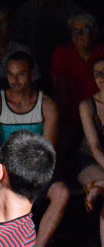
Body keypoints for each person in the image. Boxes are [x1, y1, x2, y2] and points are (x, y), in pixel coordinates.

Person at [0, 52, 68, 247]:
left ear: (32, 75)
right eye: (10, 74)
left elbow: (48, 149)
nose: (15, 80)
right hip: (3, 166)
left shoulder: (46, 104)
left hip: (36, 167)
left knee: (62, 192)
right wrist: (2, 172)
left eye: (21, 74)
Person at [50, 12, 104, 154]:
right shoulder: (62, 53)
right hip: (71, 117)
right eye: (75, 31)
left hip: (99, 117)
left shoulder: (102, 53)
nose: (79, 35)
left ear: (95, 32)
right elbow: (59, 91)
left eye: (84, 30)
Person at [78, 56, 104, 247]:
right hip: (89, 160)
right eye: (97, 74)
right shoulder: (88, 104)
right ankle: (97, 185)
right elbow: (95, 146)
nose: (101, 78)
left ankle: (97, 188)